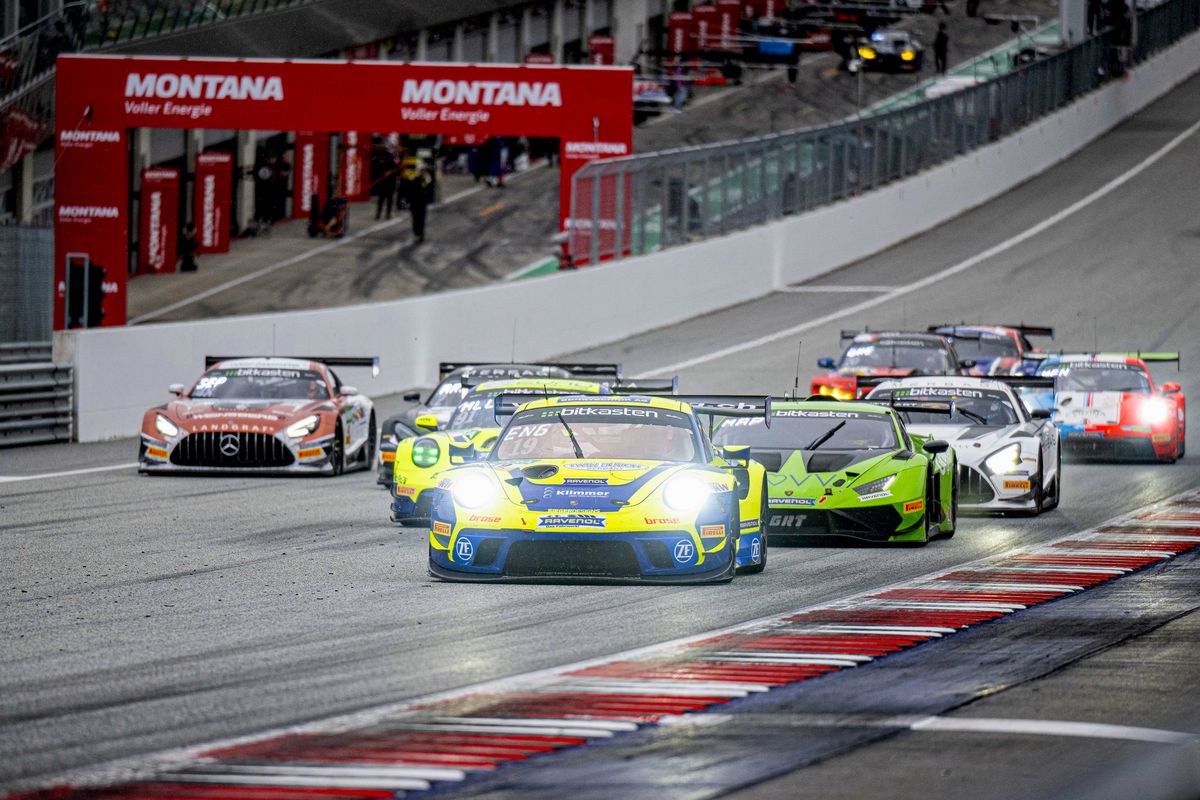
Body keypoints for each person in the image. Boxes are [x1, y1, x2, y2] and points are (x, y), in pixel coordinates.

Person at [400, 158, 431, 243]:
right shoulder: (413, 177)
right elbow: (408, 188)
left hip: (422, 201)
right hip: (414, 200)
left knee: (421, 218)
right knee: (415, 218)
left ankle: (420, 233)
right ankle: (416, 233)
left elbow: (427, 187)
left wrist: (423, 178)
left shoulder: (426, 178)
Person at [371, 145, 397, 219]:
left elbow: (396, 169)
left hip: (390, 181)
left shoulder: (389, 157)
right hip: (383, 181)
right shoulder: (378, 157)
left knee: (388, 198)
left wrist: (390, 172)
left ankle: (386, 214)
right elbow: (375, 168)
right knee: (382, 198)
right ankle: (379, 214)